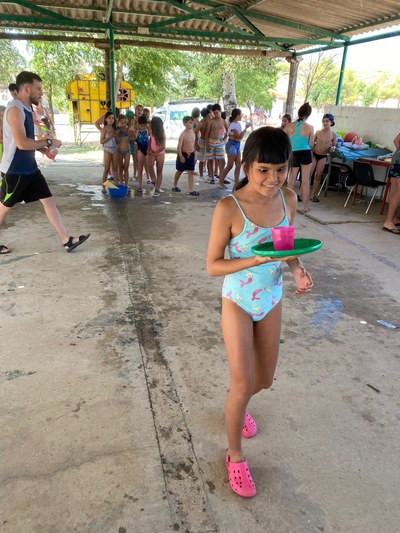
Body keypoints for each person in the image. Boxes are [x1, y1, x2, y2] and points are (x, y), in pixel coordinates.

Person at [206, 126, 313, 498]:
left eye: (280, 169)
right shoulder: (228, 207)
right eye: (263, 169)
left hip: (270, 298)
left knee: (262, 381)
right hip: (237, 299)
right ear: (247, 164)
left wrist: (296, 269)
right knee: (241, 383)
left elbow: (288, 245)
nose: (272, 178)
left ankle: (242, 403)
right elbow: (213, 266)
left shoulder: (288, 199)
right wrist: (255, 258)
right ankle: (235, 456)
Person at [0, 71, 89, 255]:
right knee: (3, 208)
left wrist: (43, 149)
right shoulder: (15, 110)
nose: (41, 93)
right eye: (38, 89)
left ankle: (67, 240)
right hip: (15, 171)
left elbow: (29, 142)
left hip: (30, 168)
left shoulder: (27, 109)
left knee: (48, 201)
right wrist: (48, 142)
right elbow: (21, 143)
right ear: (26, 89)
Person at [286, 102, 314, 214]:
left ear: (299, 113)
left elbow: (284, 140)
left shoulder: (289, 126)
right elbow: (311, 144)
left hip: (293, 153)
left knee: (291, 180)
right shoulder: (310, 127)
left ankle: (288, 206)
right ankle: (305, 207)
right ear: (308, 114)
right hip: (305, 153)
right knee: (305, 181)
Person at [218, 108, 251, 190]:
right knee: (230, 165)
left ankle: (236, 184)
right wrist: (246, 129)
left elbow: (238, 137)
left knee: (238, 165)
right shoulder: (233, 125)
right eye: (240, 114)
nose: (241, 116)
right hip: (232, 144)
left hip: (237, 144)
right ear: (237, 115)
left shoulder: (238, 124)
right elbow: (239, 136)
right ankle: (221, 181)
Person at [310, 113, 337, 202]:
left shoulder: (333, 134)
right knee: (309, 174)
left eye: (327, 121)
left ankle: (313, 195)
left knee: (318, 176)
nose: (325, 123)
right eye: (324, 121)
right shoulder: (318, 132)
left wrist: (333, 148)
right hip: (314, 155)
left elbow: (334, 146)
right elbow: (311, 144)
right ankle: (303, 193)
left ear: (331, 122)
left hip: (323, 156)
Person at [172, 116, 199, 196]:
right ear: (185, 124)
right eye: (190, 122)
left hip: (191, 154)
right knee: (180, 171)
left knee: (191, 172)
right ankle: (175, 185)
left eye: (192, 122)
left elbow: (195, 144)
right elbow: (179, 147)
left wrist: (195, 155)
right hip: (183, 154)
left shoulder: (194, 133)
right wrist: (181, 156)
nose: (192, 124)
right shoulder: (183, 134)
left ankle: (191, 190)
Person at [383, 133, 400, 234]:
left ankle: (393, 218)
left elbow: (396, 140)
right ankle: (388, 221)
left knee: (394, 190)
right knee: (398, 192)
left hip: (397, 159)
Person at [205, 104, 226, 184]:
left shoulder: (223, 121)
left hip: (219, 142)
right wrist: (207, 144)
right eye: (214, 113)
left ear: (220, 111)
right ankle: (212, 177)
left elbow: (228, 130)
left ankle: (221, 176)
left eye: (217, 112)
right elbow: (207, 133)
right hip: (210, 141)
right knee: (210, 159)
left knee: (222, 160)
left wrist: (223, 139)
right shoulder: (211, 121)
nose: (215, 114)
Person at [100, 111, 118, 193]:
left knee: (115, 168)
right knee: (106, 169)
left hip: (114, 149)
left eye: (112, 118)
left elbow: (117, 141)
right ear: (106, 119)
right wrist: (110, 136)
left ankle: (116, 186)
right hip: (107, 149)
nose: (111, 120)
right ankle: (103, 186)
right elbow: (101, 141)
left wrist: (116, 135)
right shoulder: (104, 129)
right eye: (109, 118)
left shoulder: (114, 129)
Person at [148, 116, 166, 197]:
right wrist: (149, 149)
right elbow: (150, 140)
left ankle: (157, 188)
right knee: (150, 166)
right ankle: (155, 181)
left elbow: (163, 146)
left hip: (160, 153)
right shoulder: (151, 131)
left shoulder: (162, 132)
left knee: (159, 170)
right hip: (152, 151)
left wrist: (156, 153)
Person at [195, 107, 213, 181]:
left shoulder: (210, 121)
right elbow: (195, 133)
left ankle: (210, 175)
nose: (210, 115)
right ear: (206, 115)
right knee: (201, 160)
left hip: (209, 141)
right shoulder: (201, 123)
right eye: (209, 114)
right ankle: (201, 176)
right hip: (202, 141)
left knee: (209, 159)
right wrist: (196, 144)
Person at [135, 114, 149, 193]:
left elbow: (150, 142)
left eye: (144, 125)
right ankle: (140, 185)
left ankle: (148, 178)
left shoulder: (148, 132)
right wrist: (137, 153)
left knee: (147, 166)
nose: (142, 127)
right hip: (140, 150)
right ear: (138, 125)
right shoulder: (137, 133)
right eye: (141, 125)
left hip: (147, 150)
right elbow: (136, 143)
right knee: (140, 168)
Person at [116, 114, 131, 188]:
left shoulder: (128, 129)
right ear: (118, 123)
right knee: (120, 167)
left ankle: (126, 184)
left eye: (125, 123)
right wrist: (118, 134)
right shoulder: (117, 131)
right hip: (119, 151)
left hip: (127, 151)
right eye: (122, 123)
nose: (124, 124)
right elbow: (117, 141)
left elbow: (129, 140)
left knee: (126, 168)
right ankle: (121, 183)